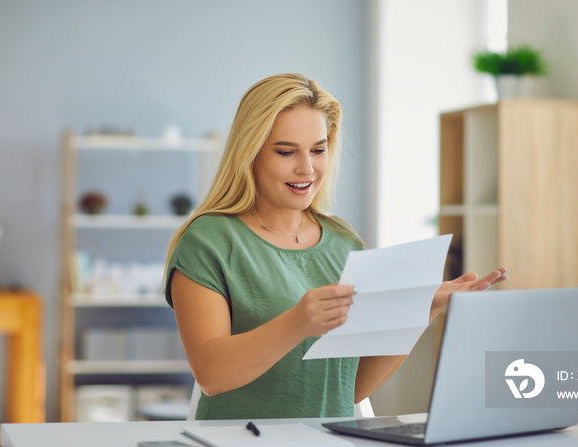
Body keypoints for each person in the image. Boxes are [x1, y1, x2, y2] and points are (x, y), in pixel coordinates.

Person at [164, 73, 508, 420]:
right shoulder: (207, 241)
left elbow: (350, 388)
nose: (307, 168)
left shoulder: (345, 243)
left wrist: (421, 309)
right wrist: (297, 323)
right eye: (286, 152)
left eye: (318, 149)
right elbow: (211, 374)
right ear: (250, 153)